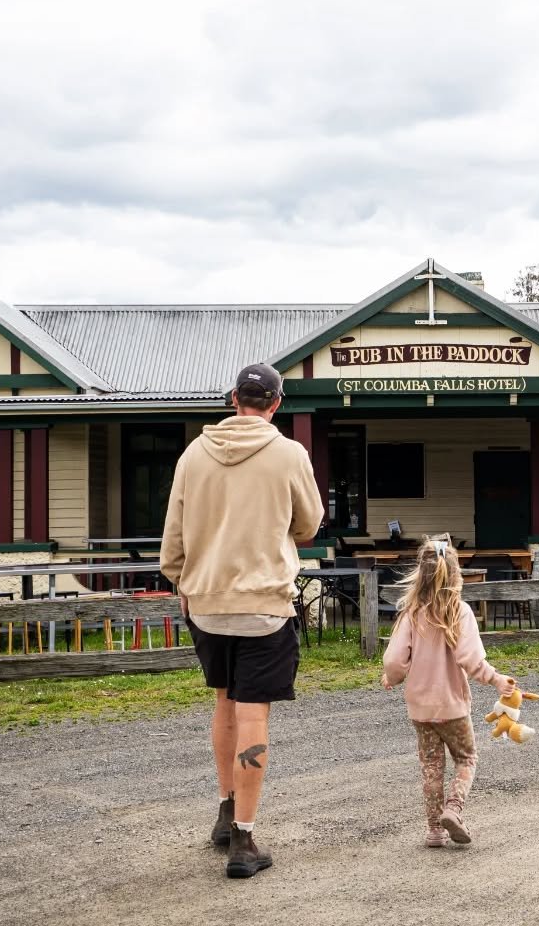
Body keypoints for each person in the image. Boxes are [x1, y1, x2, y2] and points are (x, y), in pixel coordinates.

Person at [160, 362, 324, 879]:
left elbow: (174, 531)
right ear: (276, 403)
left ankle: (226, 809)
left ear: (234, 398)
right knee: (253, 716)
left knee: (224, 705)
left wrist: (181, 581)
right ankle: (244, 841)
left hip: (206, 601)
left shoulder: (193, 454)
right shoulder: (288, 453)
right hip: (263, 606)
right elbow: (309, 524)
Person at [381, 539, 516, 848]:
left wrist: (392, 677)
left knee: (431, 767)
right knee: (467, 758)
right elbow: (470, 658)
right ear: (456, 575)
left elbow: (394, 660)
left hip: (421, 709)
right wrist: (496, 680)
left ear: (421, 574)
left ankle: (433, 831)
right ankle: (453, 808)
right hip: (452, 706)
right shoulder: (460, 612)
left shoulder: (411, 613)